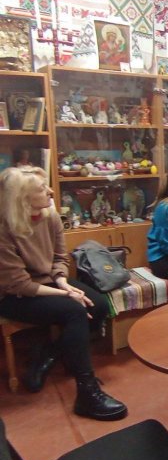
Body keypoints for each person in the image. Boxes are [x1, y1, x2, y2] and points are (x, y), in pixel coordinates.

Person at [0, 167, 127, 420]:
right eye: (42, 189)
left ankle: (49, 353)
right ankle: (87, 393)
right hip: (11, 295)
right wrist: (66, 295)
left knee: (100, 305)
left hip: (47, 281)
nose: (50, 191)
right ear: (23, 199)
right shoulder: (4, 229)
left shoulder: (51, 216)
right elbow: (18, 284)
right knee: (75, 311)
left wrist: (63, 283)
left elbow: (60, 258)